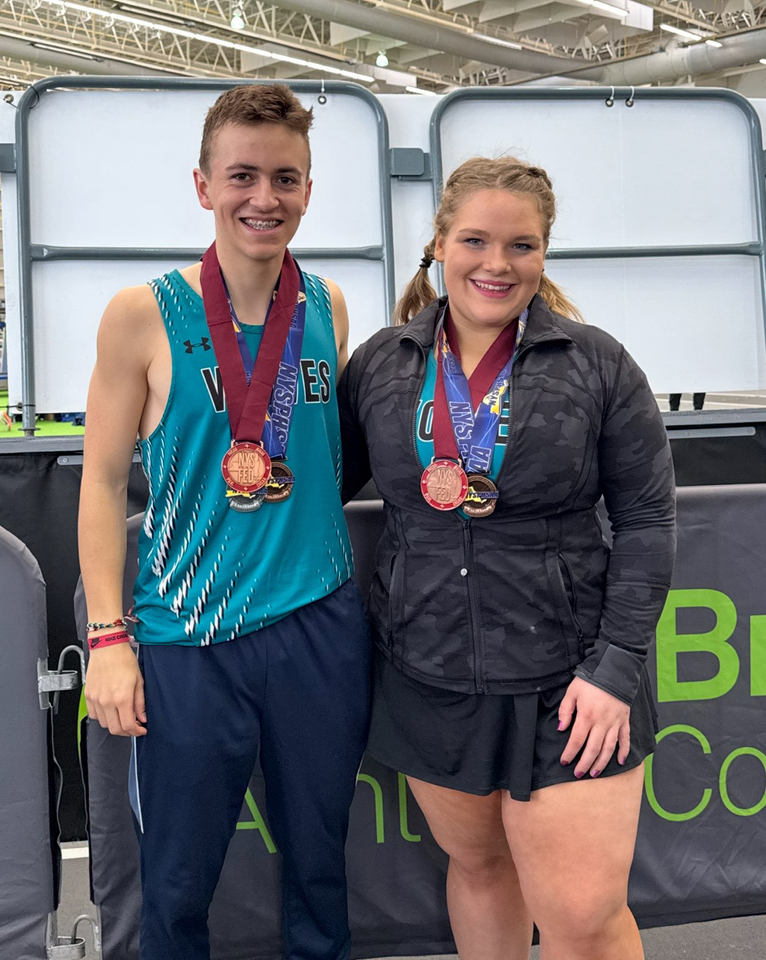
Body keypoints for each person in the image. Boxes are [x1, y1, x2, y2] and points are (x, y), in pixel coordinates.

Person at [339, 156, 675, 960]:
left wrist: (616, 668)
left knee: (583, 917)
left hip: (573, 683)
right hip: (430, 670)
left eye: (521, 245)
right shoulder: (384, 364)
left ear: (544, 253)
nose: (497, 264)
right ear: (440, 244)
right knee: (481, 867)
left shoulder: (597, 364)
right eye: (476, 240)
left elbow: (647, 519)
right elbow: (312, 487)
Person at [79, 84, 370, 960]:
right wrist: (107, 639)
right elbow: (99, 484)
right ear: (203, 185)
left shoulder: (329, 307)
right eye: (242, 175)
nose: (264, 198)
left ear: (309, 191)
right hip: (189, 635)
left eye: (286, 179)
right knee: (176, 880)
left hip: (319, 621)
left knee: (320, 867)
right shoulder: (143, 313)